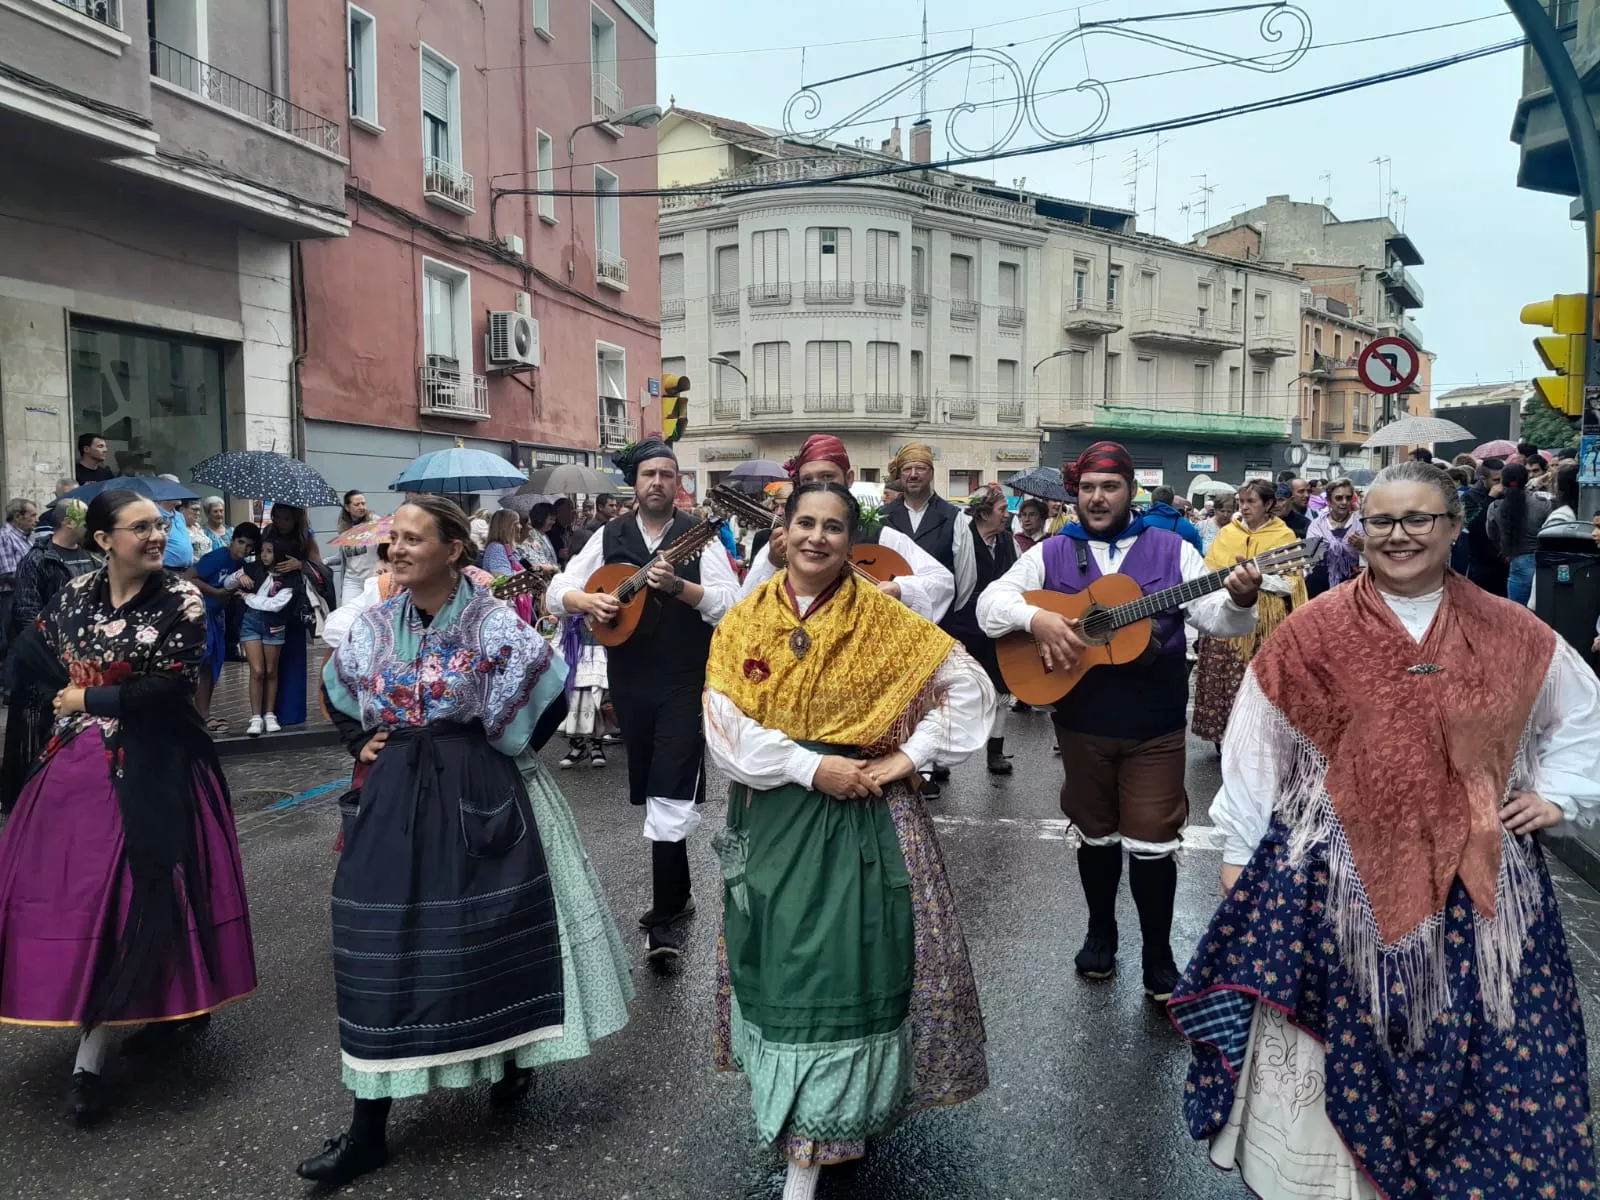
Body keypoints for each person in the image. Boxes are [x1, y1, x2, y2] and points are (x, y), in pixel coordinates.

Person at [1171, 460, 1600, 1199]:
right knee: (1342, 1052)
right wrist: (1239, 854)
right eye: (1381, 521)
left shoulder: (1510, 630)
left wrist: (1557, 796)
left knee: (1495, 1062)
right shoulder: (1312, 631)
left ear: (1454, 526)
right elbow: (1257, 742)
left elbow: (1581, 715)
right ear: (1360, 531)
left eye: (1418, 519)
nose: (1399, 535)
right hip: (1335, 885)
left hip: (1479, 888)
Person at [297, 497, 631, 1188]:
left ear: (453, 549)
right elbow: (338, 684)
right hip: (394, 795)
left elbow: (545, 684)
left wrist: (500, 752)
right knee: (379, 946)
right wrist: (362, 740)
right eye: (393, 539)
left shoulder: (491, 620)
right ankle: (367, 1131)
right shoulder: (374, 623)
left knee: (487, 933)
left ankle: (509, 1056)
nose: (396, 550)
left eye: (413, 539)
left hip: (475, 789)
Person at [705, 482, 994, 1200]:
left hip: (866, 816)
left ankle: (824, 1139)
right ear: (782, 531)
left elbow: (968, 686)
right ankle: (810, 1122)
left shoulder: (884, 619)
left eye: (833, 527)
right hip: (774, 816)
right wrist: (811, 767)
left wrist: (907, 758)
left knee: (852, 966)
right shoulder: (745, 620)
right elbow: (724, 724)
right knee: (784, 965)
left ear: (851, 539)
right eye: (805, 523)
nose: (817, 538)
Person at [0, 489, 256, 1125]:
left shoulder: (182, 599)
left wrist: (86, 699)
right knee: (83, 894)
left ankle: (103, 1049)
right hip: (73, 766)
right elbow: (28, 652)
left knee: (147, 888)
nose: (156, 535)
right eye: (140, 527)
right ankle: (104, 1011)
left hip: (158, 762)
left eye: (159, 525)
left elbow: (169, 691)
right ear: (103, 540)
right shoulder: (74, 595)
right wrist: (62, 693)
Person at [977, 441, 1263, 1000]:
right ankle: (1100, 932)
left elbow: (1218, 621)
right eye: (1087, 488)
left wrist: (1242, 600)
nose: (1097, 497)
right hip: (1082, 718)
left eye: (1109, 487)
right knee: (1095, 832)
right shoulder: (1053, 550)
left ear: (1131, 490)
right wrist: (1038, 619)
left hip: (1154, 719)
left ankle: (1158, 952)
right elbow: (991, 606)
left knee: (1154, 839)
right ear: (1075, 494)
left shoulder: (1172, 549)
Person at [546, 439, 741, 961]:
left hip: (683, 677)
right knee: (652, 786)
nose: (657, 482)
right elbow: (558, 590)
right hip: (629, 679)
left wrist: (679, 588)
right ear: (635, 482)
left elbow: (731, 605)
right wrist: (586, 600)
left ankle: (665, 916)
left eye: (667, 474)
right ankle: (680, 893)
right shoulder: (610, 535)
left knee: (670, 789)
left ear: (678, 484)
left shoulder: (699, 535)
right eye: (649, 474)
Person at [744, 436, 955, 624]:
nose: (819, 488)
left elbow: (941, 581)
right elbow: (744, 608)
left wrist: (901, 589)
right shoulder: (786, 538)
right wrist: (772, 562)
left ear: (849, 478)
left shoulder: (879, 534)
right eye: (807, 480)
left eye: (828, 477)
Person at [1191, 479, 1305, 747]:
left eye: (1251, 501)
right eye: (1240, 502)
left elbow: (1292, 583)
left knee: (1257, 685)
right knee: (1223, 681)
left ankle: (1256, 743)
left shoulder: (1283, 536)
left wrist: (1258, 581)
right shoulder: (1228, 533)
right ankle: (1223, 739)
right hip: (1226, 618)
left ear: (1268, 504)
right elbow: (1209, 572)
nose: (1244, 507)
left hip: (1264, 623)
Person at [943, 483, 1019, 773]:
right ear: (984, 513)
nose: (1007, 515)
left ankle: (995, 752)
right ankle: (940, 757)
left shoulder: (1009, 542)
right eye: (1002, 509)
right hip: (963, 626)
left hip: (999, 628)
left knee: (1001, 690)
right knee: (951, 690)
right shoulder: (961, 539)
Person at [186, 522, 262, 734]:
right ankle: (201, 714)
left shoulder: (241, 565)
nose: (244, 549)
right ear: (233, 540)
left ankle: (204, 712)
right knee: (205, 664)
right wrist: (215, 592)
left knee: (213, 665)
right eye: (241, 542)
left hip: (218, 615)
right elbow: (189, 577)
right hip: (202, 614)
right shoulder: (218, 557)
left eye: (249, 546)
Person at [229, 538, 301, 737]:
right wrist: (238, 576)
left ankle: (269, 714)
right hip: (250, 622)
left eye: (269, 551)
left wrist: (247, 597)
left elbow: (275, 605)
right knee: (257, 670)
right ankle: (255, 717)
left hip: (274, 624)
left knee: (271, 670)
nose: (264, 555)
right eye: (262, 551)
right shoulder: (253, 569)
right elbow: (227, 583)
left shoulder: (289, 579)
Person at [262, 503, 321, 726]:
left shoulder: (306, 536)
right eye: (278, 517)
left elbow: (320, 567)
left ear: (296, 518)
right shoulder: (267, 533)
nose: (282, 523)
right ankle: (269, 710)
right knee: (270, 658)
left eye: (287, 518)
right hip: (270, 598)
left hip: (295, 602)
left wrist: (301, 564)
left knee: (293, 655)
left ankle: (291, 711)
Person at [1488, 461, 1551, 606]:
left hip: (1517, 562)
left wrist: (1505, 548)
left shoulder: (1495, 507)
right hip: (1542, 564)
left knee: (1518, 614)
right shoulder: (1543, 504)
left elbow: (1492, 535)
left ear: (1503, 481)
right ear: (1526, 479)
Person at [1303, 476, 1365, 597]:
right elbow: (1310, 556)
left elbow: (1375, 555)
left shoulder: (1361, 523)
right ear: (1329, 500)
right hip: (1320, 585)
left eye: (1348, 498)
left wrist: (1364, 546)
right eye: (1339, 498)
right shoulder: (1317, 524)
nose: (1344, 502)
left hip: (1353, 585)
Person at [1462, 456, 1508, 595]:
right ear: (1483, 479)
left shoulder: (1507, 493)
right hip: (1482, 561)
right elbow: (1473, 525)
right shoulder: (1470, 496)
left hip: (1504, 560)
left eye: (1502, 480)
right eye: (1496, 480)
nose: (1500, 484)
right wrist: (1490, 498)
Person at [0, 497, 39, 653]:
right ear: (18, 517)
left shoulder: (29, 539)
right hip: (11, 598)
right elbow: (7, 573)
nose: (37, 520)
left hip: (27, 597)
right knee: (13, 644)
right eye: (32, 515)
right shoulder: (5, 537)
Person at [329, 490, 379, 606]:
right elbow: (345, 555)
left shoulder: (375, 522)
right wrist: (323, 562)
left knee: (371, 611)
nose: (361, 507)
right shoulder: (344, 527)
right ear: (347, 507)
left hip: (372, 578)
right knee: (348, 612)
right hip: (352, 580)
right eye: (357, 504)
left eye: (363, 503)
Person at [1142, 485, 1204, 553]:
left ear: (1151, 502)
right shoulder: (1189, 528)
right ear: (1171, 502)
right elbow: (1198, 554)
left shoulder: (1140, 525)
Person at [480, 509, 525, 577]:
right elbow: (504, 577)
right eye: (517, 523)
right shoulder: (496, 548)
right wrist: (526, 572)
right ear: (508, 527)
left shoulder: (506, 547)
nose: (521, 526)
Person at [519, 502, 560, 569]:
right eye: (551, 519)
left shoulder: (545, 535)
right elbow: (535, 560)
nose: (553, 522)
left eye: (554, 519)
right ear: (541, 518)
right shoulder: (531, 536)